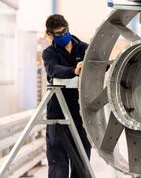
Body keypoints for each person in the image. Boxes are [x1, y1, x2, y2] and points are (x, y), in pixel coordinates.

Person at [42, 14, 91, 178]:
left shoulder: (85, 48)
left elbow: (99, 66)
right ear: (49, 35)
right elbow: (52, 70)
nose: (63, 35)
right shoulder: (49, 53)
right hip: (58, 114)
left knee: (82, 160)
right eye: (58, 34)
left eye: (65, 31)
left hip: (80, 114)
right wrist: (73, 71)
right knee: (58, 163)